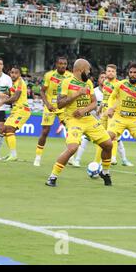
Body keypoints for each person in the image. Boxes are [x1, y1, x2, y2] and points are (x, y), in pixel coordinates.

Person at [45, 59, 113, 187]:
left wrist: (84, 110)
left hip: (88, 118)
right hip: (72, 119)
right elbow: (59, 104)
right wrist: (77, 94)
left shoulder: (88, 82)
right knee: (72, 148)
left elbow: (93, 103)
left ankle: (105, 172)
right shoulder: (66, 82)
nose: (89, 72)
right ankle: (52, 177)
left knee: (108, 144)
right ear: (81, 70)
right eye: (88, 70)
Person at [106, 62, 136, 178]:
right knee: (107, 139)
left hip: (135, 120)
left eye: (135, 72)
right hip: (119, 118)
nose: (132, 74)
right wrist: (110, 108)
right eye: (131, 72)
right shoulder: (121, 84)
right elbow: (112, 97)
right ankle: (103, 166)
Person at [34, 57, 72, 166]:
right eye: (60, 63)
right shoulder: (49, 75)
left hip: (63, 106)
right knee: (45, 131)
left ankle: (71, 156)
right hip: (50, 106)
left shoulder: (70, 76)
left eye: (65, 64)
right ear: (56, 64)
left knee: (70, 129)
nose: (63, 65)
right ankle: (38, 157)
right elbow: (42, 91)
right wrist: (47, 104)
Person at [0, 67, 32, 161]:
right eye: (12, 72)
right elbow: (7, 94)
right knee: (4, 129)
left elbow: (15, 98)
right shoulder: (11, 83)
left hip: (23, 110)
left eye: (16, 73)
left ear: (19, 74)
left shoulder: (20, 82)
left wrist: (2, 102)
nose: (13, 74)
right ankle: (12, 154)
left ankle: (14, 155)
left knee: (10, 129)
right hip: (15, 110)